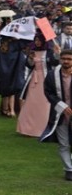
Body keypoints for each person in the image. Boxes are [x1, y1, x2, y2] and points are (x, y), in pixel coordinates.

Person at [17, 34, 60, 137]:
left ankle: (43, 128)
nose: (37, 42)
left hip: (46, 79)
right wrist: (30, 59)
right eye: (36, 40)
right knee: (30, 103)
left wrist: (57, 53)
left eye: (39, 40)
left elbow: (55, 62)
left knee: (45, 103)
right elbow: (29, 65)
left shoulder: (49, 52)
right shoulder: (32, 52)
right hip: (34, 80)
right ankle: (27, 128)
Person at [40, 49, 72, 181]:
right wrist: (62, 106)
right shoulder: (53, 75)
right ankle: (69, 169)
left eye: (69, 59)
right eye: (63, 58)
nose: (66, 61)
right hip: (60, 114)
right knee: (63, 143)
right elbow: (48, 93)